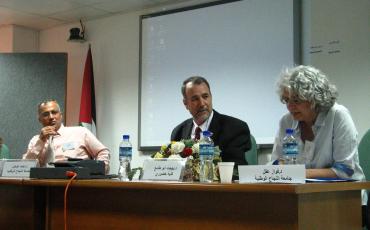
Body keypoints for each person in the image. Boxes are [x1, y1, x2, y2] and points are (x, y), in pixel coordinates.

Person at [271, 65, 365, 181]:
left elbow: (345, 170)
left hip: (342, 194)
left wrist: (298, 173)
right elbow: (276, 161)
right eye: (286, 100)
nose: (290, 106)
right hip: (301, 192)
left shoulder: (338, 115)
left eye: (296, 100)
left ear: (314, 98)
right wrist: (281, 166)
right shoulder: (286, 121)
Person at [171, 76, 251, 167]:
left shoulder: (235, 128)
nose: (202, 103)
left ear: (211, 97)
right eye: (195, 99)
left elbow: (236, 169)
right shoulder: (178, 132)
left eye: (205, 96)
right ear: (185, 104)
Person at [23, 99, 110, 173]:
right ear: (39, 119)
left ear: (61, 115)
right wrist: (40, 141)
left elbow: (103, 151)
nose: (51, 117)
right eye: (46, 114)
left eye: (54, 112)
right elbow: (24, 167)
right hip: (44, 186)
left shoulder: (80, 132)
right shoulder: (35, 141)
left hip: (75, 182)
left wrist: (98, 172)